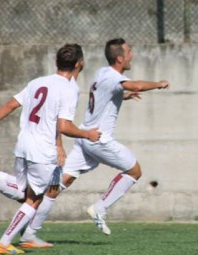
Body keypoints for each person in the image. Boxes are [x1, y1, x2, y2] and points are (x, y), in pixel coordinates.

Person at [18, 38, 170, 245]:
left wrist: (123, 96)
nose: (131, 54)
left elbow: (105, 95)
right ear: (119, 58)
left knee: (56, 185)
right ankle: (100, 208)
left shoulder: (102, 74)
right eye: (129, 51)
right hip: (98, 139)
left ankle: (29, 232)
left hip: (84, 140)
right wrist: (159, 84)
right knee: (134, 171)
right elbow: (138, 84)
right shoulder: (113, 77)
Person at [0, 43, 101, 254]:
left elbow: (11, 105)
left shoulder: (37, 82)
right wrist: (88, 134)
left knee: (24, 193)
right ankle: (4, 242)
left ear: (56, 62)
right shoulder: (69, 90)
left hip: (23, 146)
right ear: (79, 64)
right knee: (34, 200)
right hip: (41, 152)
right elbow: (64, 126)